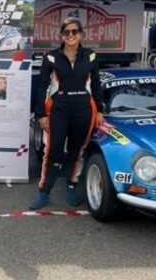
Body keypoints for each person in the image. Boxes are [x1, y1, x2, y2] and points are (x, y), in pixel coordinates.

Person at [32, 17, 106, 210]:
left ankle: (71, 187)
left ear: (81, 35)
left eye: (74, 31)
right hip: (59, 109)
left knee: (76, 150)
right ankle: (44, 191)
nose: (71, 35)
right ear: (61, 36)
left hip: (83, 109)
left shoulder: (90, 56)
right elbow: (42, 86)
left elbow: (96, 84)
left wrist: (100, 110)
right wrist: (41, 114)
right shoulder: (51, 57)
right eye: (67, 32)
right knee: (53, 150)